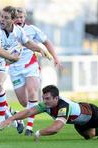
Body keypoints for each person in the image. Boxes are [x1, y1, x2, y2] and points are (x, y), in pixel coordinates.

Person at [0, 6, 46, 131]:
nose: (2, 20)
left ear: (13, 20)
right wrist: (13, 57)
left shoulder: (18, 31)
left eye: (6, 18)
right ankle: (15, 118)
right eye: (1, 17)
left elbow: (27, 42)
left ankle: (1, 119)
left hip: (1, 63)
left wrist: (40, 49)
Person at [8, 7, 63, 136]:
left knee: (33, 91)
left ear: (25, 18)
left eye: (21, 17)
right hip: (15, 69)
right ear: (12, 19)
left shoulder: (32, 30)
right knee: (24, 102)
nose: (19, 19)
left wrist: (56, 58)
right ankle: (18, 117)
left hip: (30, 66)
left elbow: (46, 41)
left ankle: (29, 127)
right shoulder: (6, 32)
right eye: (16, 17)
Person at [0, 85, 98, 141]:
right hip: (80, 123)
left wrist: (39, 133)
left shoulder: (63, 106)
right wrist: (10, 119)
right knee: (88, 136)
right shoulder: (46, 105)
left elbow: (56, 128)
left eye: (47, 98)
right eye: (43, 98)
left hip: (94, 115)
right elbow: (29, 111)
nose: (45, 101)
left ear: (56, 98)